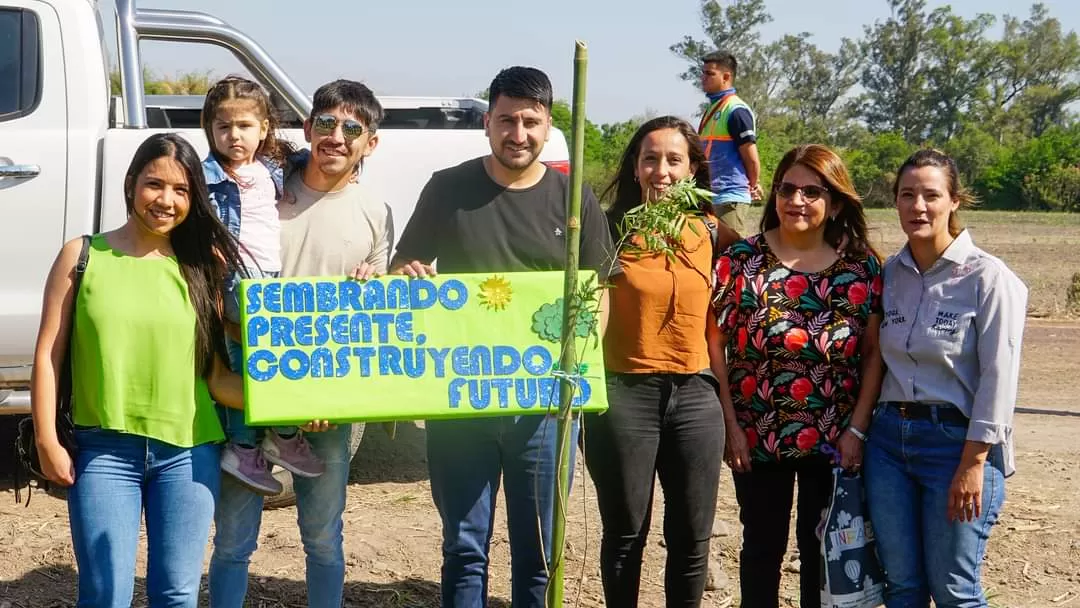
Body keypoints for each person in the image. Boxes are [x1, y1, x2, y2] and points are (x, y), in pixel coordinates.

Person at [390, 66, 616, 608]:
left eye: (531, 122)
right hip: (461, 401)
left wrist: (578, 364)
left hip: (542, 409)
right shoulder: (449, 188)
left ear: (547, 126)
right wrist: (409, 277)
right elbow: (405, 265)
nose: (518, 134)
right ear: (487, 122)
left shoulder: (573, 196)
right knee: (464, 546)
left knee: (539, 552)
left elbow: (598, 290)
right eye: (507, 120)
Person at [30, 132, 246, 607]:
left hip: (189, 454)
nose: (166, 200)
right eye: (155, 184)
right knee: (106, 595)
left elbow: (216, 379)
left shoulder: (200, 268)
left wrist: (300, 401)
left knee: (177, 594)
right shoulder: (82, 256)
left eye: (182, 190)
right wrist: (47, 438)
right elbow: (48, 355)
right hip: (104, 451)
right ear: (131, 184)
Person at [209, 79, 392, 608]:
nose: (338, 137)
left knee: (323, 539)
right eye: (327, 123)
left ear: (370, 142)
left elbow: (376, 310)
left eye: (353, 128)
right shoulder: (260, 187)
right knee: (233, 541)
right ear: (308, 128)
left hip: (326, 402)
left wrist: (374, 282)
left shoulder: (376, 212)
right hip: (248, 390)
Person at [712, 144, 884, 608]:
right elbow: (715, 346)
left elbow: (873, 356)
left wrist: (857, 432)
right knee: (761, 550)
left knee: (821, 553)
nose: (797, 200)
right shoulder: (741, 262)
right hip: (757, 435)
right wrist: (731, 427)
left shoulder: (860, 268)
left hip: (832, 439)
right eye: (788, 188)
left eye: (813, 191)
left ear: (836, 201)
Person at [583, 116, 739, 608]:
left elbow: (769, 270)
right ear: (634, 166)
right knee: (627, 530)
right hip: (624, 393)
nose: (662, 171)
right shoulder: (608, 229)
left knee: (692, 536)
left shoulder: (713, 231)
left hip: (696, 395)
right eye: (650, 159)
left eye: (675, 160)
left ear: (693, 168)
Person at [865, 149, 1027, 608]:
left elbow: (1000, 376)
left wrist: (973, 464)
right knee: (902, 587)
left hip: (956, 446)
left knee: (955, 591)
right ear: (894, 202)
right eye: (907, 195)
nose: (918, 206)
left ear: (954, 201)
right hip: (889, 445)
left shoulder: (988, 278)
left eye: (931, 195)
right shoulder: (890, 274)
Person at [201, 75, 325, 496]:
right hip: (235, 282)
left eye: (244, 127)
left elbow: (319, 160)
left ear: (264, 128)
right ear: (210, 130)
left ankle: (258, 444)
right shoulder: (208, 175)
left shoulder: (270, 169)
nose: (233, 136)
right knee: (261, 364)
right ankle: (273, 439)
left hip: (269, 281)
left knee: (259, 365)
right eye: (223, 127)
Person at [697, 50, 761, 236]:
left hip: (729, 198)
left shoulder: (736, 110)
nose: (703, 77)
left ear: (726, 77)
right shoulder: (712, 108)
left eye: (709, 74)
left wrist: (752, 185)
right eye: (703, 72)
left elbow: (751, 159)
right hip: (709, 197)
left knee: (731, 256)